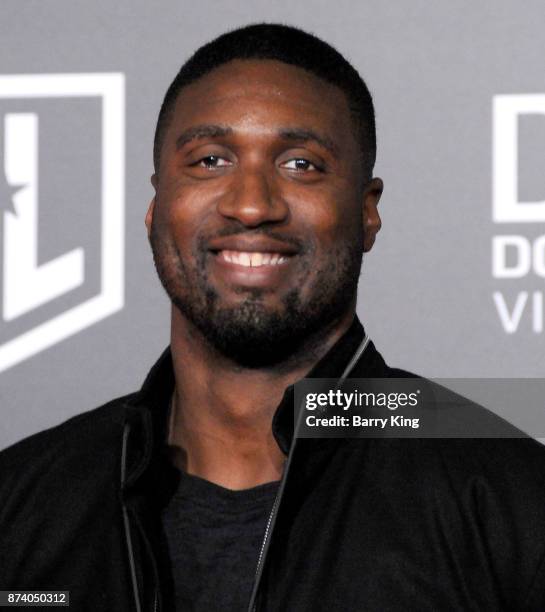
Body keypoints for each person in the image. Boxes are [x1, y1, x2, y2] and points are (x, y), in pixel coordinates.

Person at [1, 23, 545, 612]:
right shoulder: (22, 504)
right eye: (210, 160)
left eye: (301, 165)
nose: (252, 205)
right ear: (156, 208)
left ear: (367, 214)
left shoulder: (511, 501)